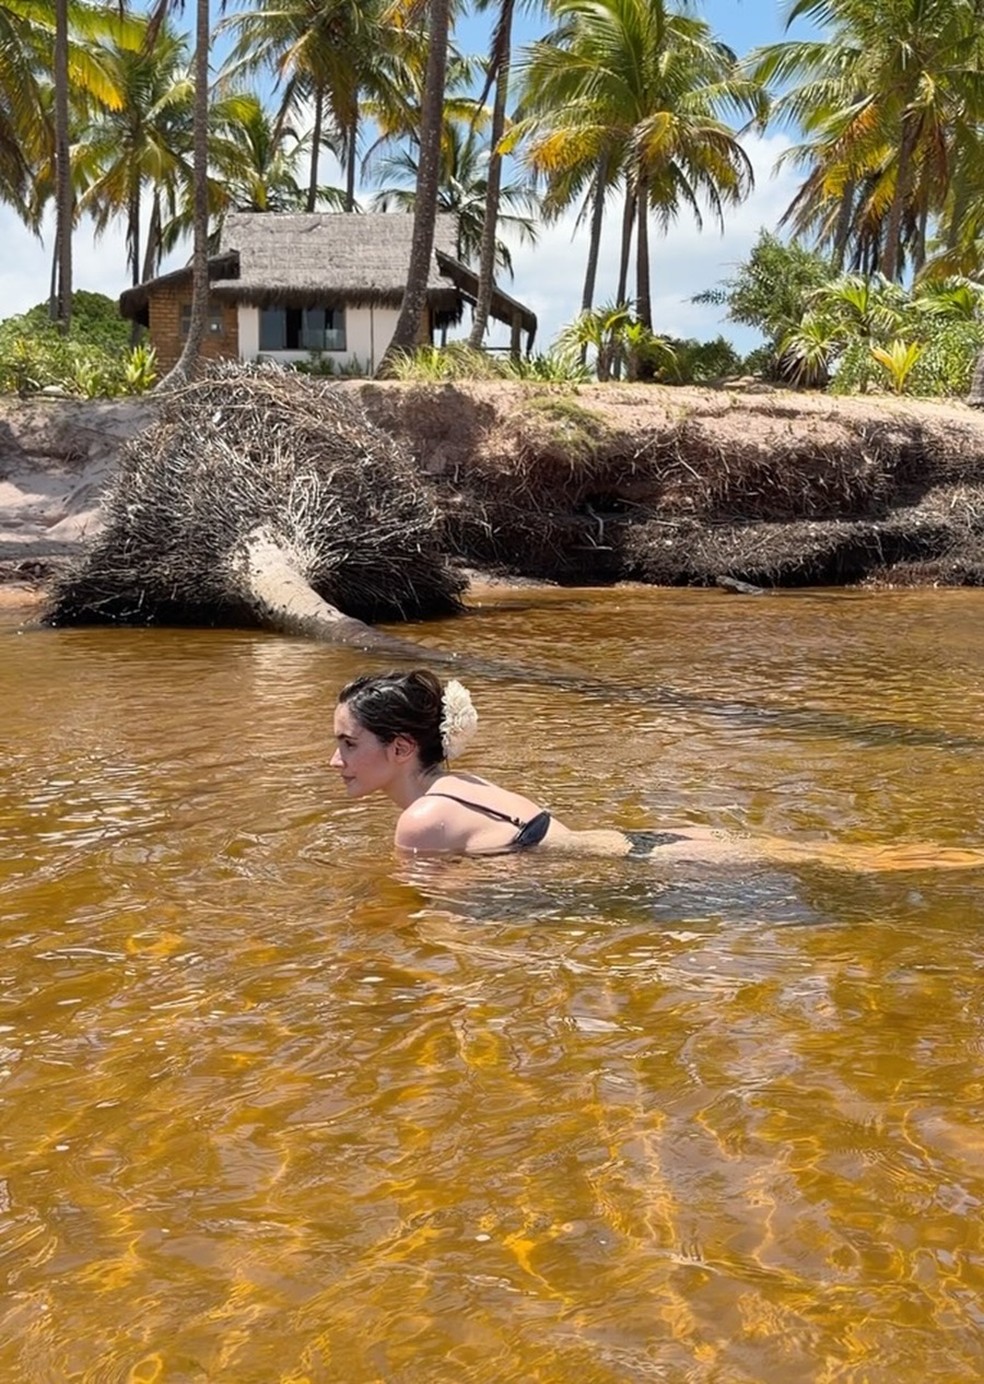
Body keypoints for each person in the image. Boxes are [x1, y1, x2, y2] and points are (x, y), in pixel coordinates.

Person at [331, 669, 984, 871]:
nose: (334, 760)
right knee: (849, 857)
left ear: (401, 748)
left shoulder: (419, 824)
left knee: (856, 865)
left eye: (347, 743)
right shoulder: (458, 784)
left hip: (648, 867)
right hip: (648, 841)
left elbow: (453, 934)